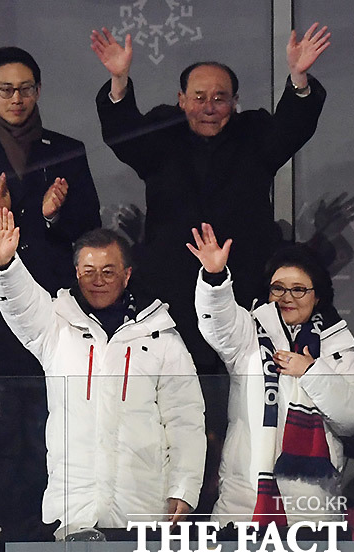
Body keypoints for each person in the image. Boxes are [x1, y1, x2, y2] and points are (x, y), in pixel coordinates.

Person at [91, 23, 329, 374]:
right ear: (181, 99)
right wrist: (120, 82)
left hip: (243, 282)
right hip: (171, 286)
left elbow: (291, 130)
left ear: (234, 102)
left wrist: (298, 78)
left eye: (220, 98)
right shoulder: (161, 133)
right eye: (199, 97)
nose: (209, 107)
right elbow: (123, 136)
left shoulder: (253, 133)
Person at [0, 46, 101, 544]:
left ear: (37, 91)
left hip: (54, 322)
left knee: (53, 444)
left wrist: (51, 216)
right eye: (5, 89)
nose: (16, 98)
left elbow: (90, 224)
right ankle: (2, 549)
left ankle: (53, 548)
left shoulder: (67, 149)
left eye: (25, 88)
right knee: (2, 450)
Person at [0, 210, 206, 540]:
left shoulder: (161, 335)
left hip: (141, 505)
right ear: (76, 273)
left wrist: (185, 486)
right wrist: (5, 267)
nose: (98, 280)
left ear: (127, 275)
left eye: (108, 271)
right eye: (88, 271)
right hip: (74, 506)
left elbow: (185, 419)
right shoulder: (57, 326)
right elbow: (21, 305)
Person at [188, 222, 354, 528]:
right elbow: (218, 323)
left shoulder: (339, 349)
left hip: (312, 507)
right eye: (278, 288)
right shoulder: (248, 334)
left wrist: (311, 372)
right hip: (243, 502)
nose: (287, 297)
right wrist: (215, 278)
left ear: (317, 296)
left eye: (299, 289)